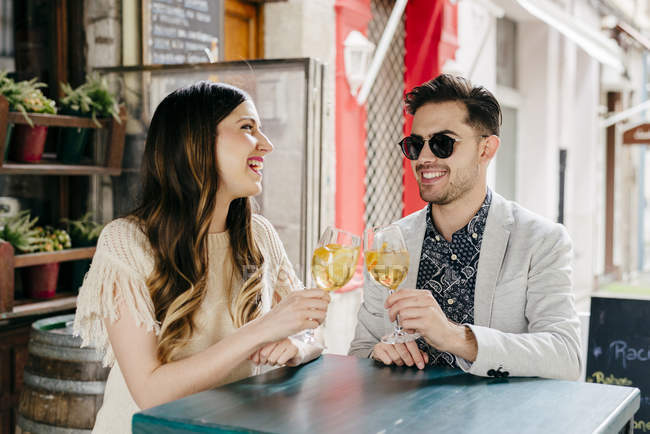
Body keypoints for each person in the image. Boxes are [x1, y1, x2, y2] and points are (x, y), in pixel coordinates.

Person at [74, 81, 329, 433]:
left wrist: (297, 345)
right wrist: (263, 330)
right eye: (247, 128)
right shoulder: (126, 242)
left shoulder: (260, 235)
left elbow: (311, 330)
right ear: (196, 143)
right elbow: (150, 391)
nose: (266, 145)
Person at [349, 74, 582, 380]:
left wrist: (457, 338)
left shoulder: (541, 240)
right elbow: (360, 352)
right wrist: (377, 354)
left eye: (443, 143)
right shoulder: (389, 244)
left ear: (486, 150)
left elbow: (565, 356)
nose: (425, 158)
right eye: (416, 145)